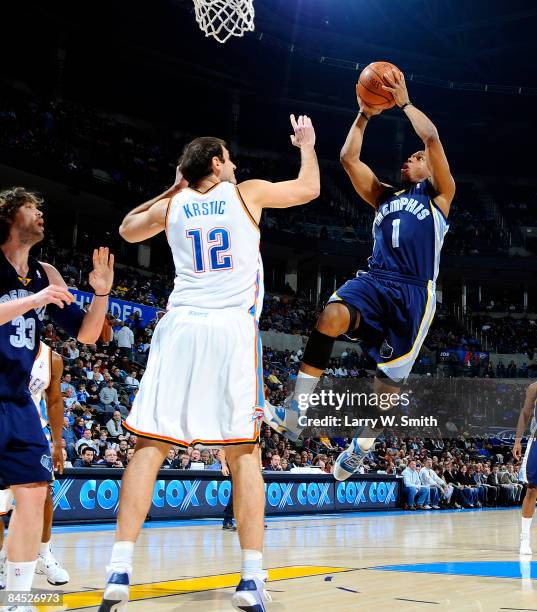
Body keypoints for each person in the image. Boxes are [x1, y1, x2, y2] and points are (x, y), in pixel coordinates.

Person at [99, 115, 319, 612]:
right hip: (229, 329)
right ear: (217, 164)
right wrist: (307, 144)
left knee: (148, 448)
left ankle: (118, 569)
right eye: (230, 158)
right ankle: (250, 578)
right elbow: (309, 188)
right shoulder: (247, 193)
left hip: (178, 328)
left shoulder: (174, 205)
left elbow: (127, 229)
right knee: (244, 454)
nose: (236, 165)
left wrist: (170, 188)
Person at [265, 70, 455, 483]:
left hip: (412, 295)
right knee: (330, 316)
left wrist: (404, 103)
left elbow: (433, 139)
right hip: (375, 279)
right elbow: (349, 159)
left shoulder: (440, 197)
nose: (411, 159)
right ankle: (296, 410)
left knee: (384, 393)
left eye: (417, 159)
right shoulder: (384, 196)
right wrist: (364, 115)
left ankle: (361, 448)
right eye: (410, 157)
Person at [0, 186, 113, 605]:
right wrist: (35, 299)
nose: (41, 213)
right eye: (32, 207)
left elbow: (86, 334)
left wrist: (101, 293)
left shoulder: (47, 274)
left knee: (33, 493)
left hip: (16, 400)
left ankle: (18, 599)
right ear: (11, 215)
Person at [1, 342, 69, 588]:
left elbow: (54, 400)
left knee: (44, 494)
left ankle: (44, 554)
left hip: (32, 431)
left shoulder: (52, 358)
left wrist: (58, 443)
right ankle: (1, 560)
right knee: (0, 504)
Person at [513, 381, 537, 555]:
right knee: (532, 490)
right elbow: (525, 413)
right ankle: (525, 539)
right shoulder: (534, 387)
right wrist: (517, 440)